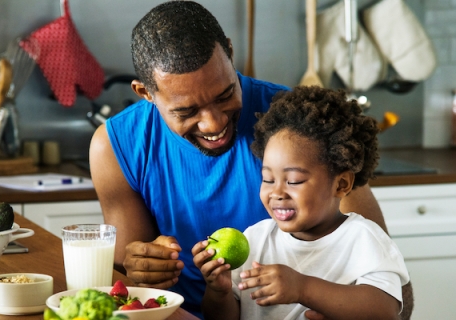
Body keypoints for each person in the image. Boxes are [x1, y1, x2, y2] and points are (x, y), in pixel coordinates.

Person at [89, 1, 413, 318]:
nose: (214, 124)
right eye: (186, 111)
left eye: (225, 95)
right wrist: (145, 267)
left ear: (230, 52)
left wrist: (319, 296)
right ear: (145, 93)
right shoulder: (116, 145)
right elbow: (126, 285)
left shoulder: (300, 128)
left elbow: (396, 299)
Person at [192, 85, 410, 320]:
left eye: (294, 181)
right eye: (268, 179)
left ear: (341, 185)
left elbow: (385, 311)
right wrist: (219, 291)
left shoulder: (363, 238)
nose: (277, 192)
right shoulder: (256, 240)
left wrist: (302, 288)